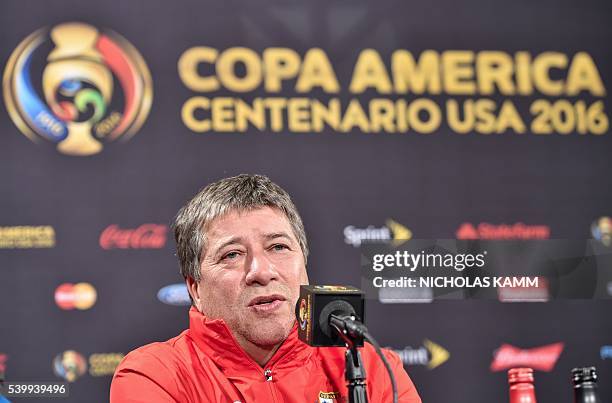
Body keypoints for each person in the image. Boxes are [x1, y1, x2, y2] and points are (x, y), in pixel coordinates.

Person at [110, 174, 421, 403]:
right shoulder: (155, 374)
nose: (261, 271)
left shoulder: (371, 366)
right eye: (232, 254)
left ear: (305, 265)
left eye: (278, 247)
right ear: (195, 290)